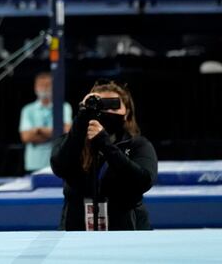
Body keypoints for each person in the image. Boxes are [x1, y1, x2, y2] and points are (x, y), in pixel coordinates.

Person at [50, 82, 157, 231]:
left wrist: (106, 145)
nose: (107, 111)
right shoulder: (71, 142)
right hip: (77, 233)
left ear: (127, 113)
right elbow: (60, 167)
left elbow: (143, 181)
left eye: (113, 105)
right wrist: (81, 120)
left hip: (127, 234)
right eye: (101, 105)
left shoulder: (138, 145)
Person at [19, 72, 73, 173]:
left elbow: (66, 132)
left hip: (58, 163)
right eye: (41, 85)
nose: (44, 88)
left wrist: (38, 130)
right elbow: (26, 137)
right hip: (34, 164)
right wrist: (55, 133)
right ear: (35, 87)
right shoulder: (28, 110)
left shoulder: (64, 107)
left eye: (48, 85)